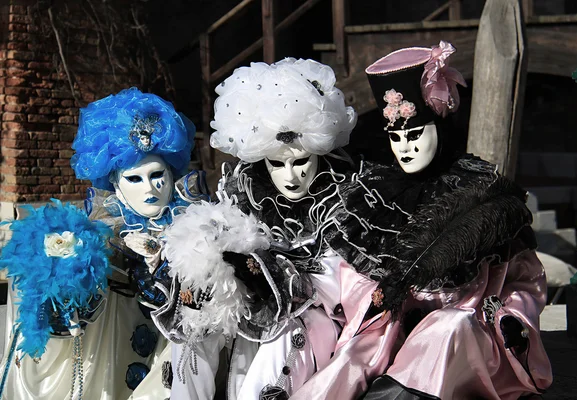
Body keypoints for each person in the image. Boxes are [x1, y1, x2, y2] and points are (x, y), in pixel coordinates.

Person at [292, 41, 553, 400]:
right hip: (392, 330)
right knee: (352, 358)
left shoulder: (482, 193)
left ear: (440, 129)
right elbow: (355, 277)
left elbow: (524, 281)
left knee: (447, 328)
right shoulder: (375, 197)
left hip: (466, 333)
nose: (405, 148)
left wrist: (511, 317)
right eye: (395, 137)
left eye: (415, 135)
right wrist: (379, 297)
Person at [1, 87, 208, 400]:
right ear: (115, 184)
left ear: (172, 173)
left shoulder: (198, 225)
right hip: (112, 344)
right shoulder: (100, 232)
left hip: (173, 355)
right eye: (135, 179)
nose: (150, 189)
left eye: (157, 176)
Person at [208, 57, 365, 400]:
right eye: (277, 164)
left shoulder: (343, 200)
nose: (290, 177)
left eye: (301, 162)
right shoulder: (249, 197)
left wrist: (283, 280)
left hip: (326, 327)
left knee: (288, 332)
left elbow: (347, 288)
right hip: (260, 323)